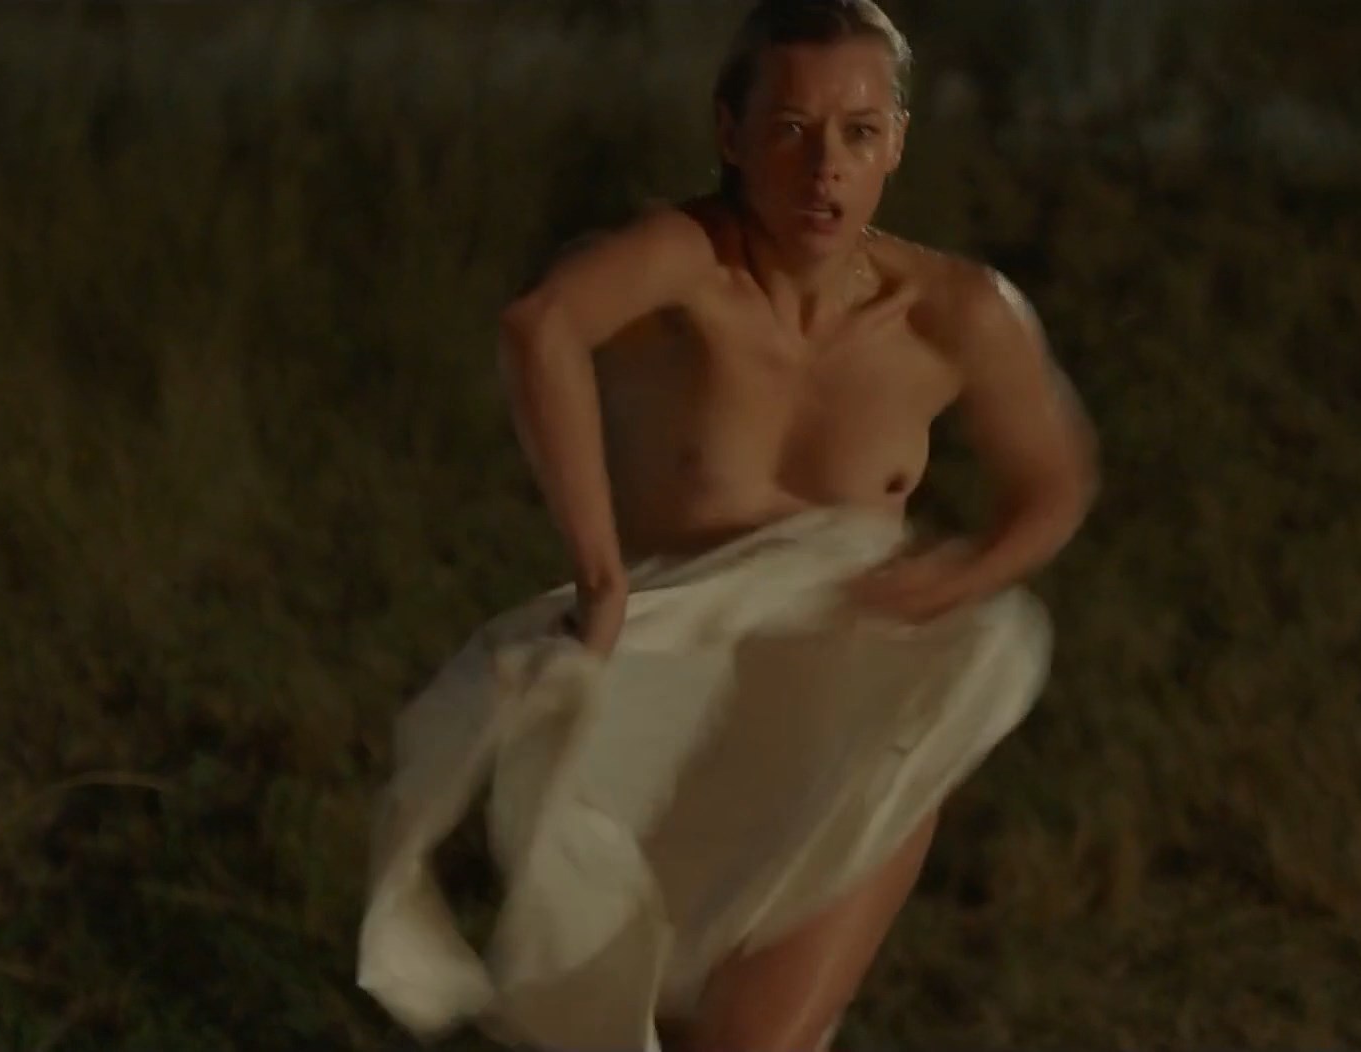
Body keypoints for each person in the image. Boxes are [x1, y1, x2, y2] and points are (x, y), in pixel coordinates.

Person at [361, 2, 1098, 1049]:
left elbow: (1054, 483)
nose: (825, 168)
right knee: (635, 1023)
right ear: (731, 133)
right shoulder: (688, 267)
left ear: (895, 141)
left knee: (753, 1042)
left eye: (857, 133)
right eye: (790, 129)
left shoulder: (956, 311)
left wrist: (962, 577)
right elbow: (542, 325)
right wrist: (601, 575)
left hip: (856, 708)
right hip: (675, 716)